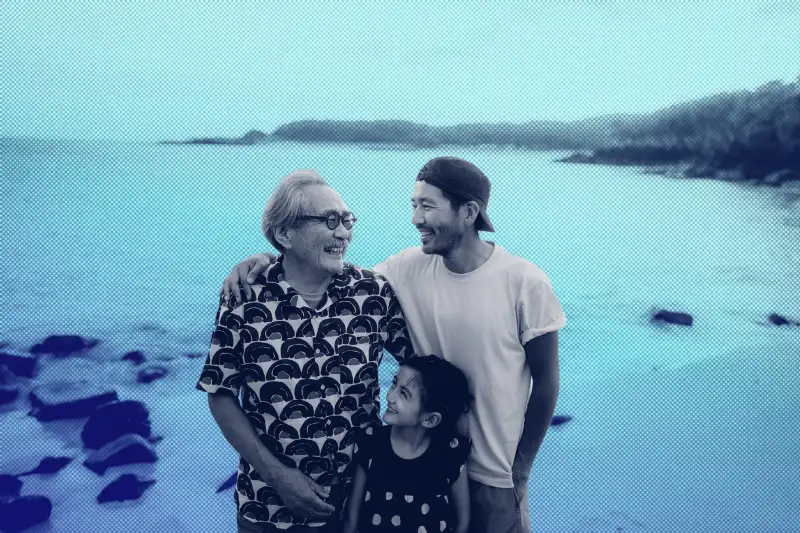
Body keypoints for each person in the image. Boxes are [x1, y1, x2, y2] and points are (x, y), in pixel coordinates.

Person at [222, 157, 566, 533]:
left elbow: (547, 382)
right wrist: (268, 258)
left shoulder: (523, 281)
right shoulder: (405, 268)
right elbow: (324, 270)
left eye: (427, 206)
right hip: (422, 463)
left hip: (492, 472)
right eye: (413, 205)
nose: (416, 218)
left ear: (468, 212)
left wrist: (522, 466)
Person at [196, 169, 413, 532]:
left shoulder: (372, 293)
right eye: (329, 220)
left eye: (347, 220)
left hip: (360, 502)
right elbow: (220, 394)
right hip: (269, 507)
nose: (343, 232)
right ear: (284, 233)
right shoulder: (245, 298)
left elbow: (421, 367)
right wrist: (279, 476)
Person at [343, 355, 473, 533]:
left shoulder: (450, 453)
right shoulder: (371, 441)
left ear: (430, 419)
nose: (389, 396)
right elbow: (351, 520)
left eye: (403, 394)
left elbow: (462, 524)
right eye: (394, 383)